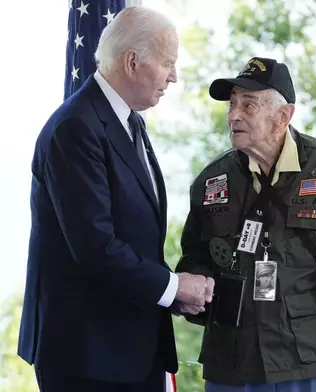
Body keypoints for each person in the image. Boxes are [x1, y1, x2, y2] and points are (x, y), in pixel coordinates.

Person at [17, 6, 214, 392]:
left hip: (129, 346)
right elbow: (96, 247)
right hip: (86, 356)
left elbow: (136, 232)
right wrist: (175, 288)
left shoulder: (127, 120)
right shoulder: (75, 128)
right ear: (132, 61)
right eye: (168, 63)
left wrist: (175, 295)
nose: (174, 77)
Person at [175, 57, 316, 392]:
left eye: (249, 105)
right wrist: (195, 283)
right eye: (232, 104)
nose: (234, 114)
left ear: (283, 116)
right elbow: (194, 256)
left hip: (312, 361)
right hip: (234, 363)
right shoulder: (211, 181)